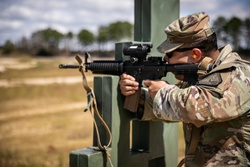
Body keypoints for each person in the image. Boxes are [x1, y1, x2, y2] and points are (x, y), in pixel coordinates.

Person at [119, 12, 250, 167]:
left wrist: (163, 92)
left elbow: (198, 109)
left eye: (170, 54)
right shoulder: (202, 76)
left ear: (195, 54)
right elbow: (172, 109)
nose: (165, 59)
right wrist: (135, 94)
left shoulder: (238, 74)